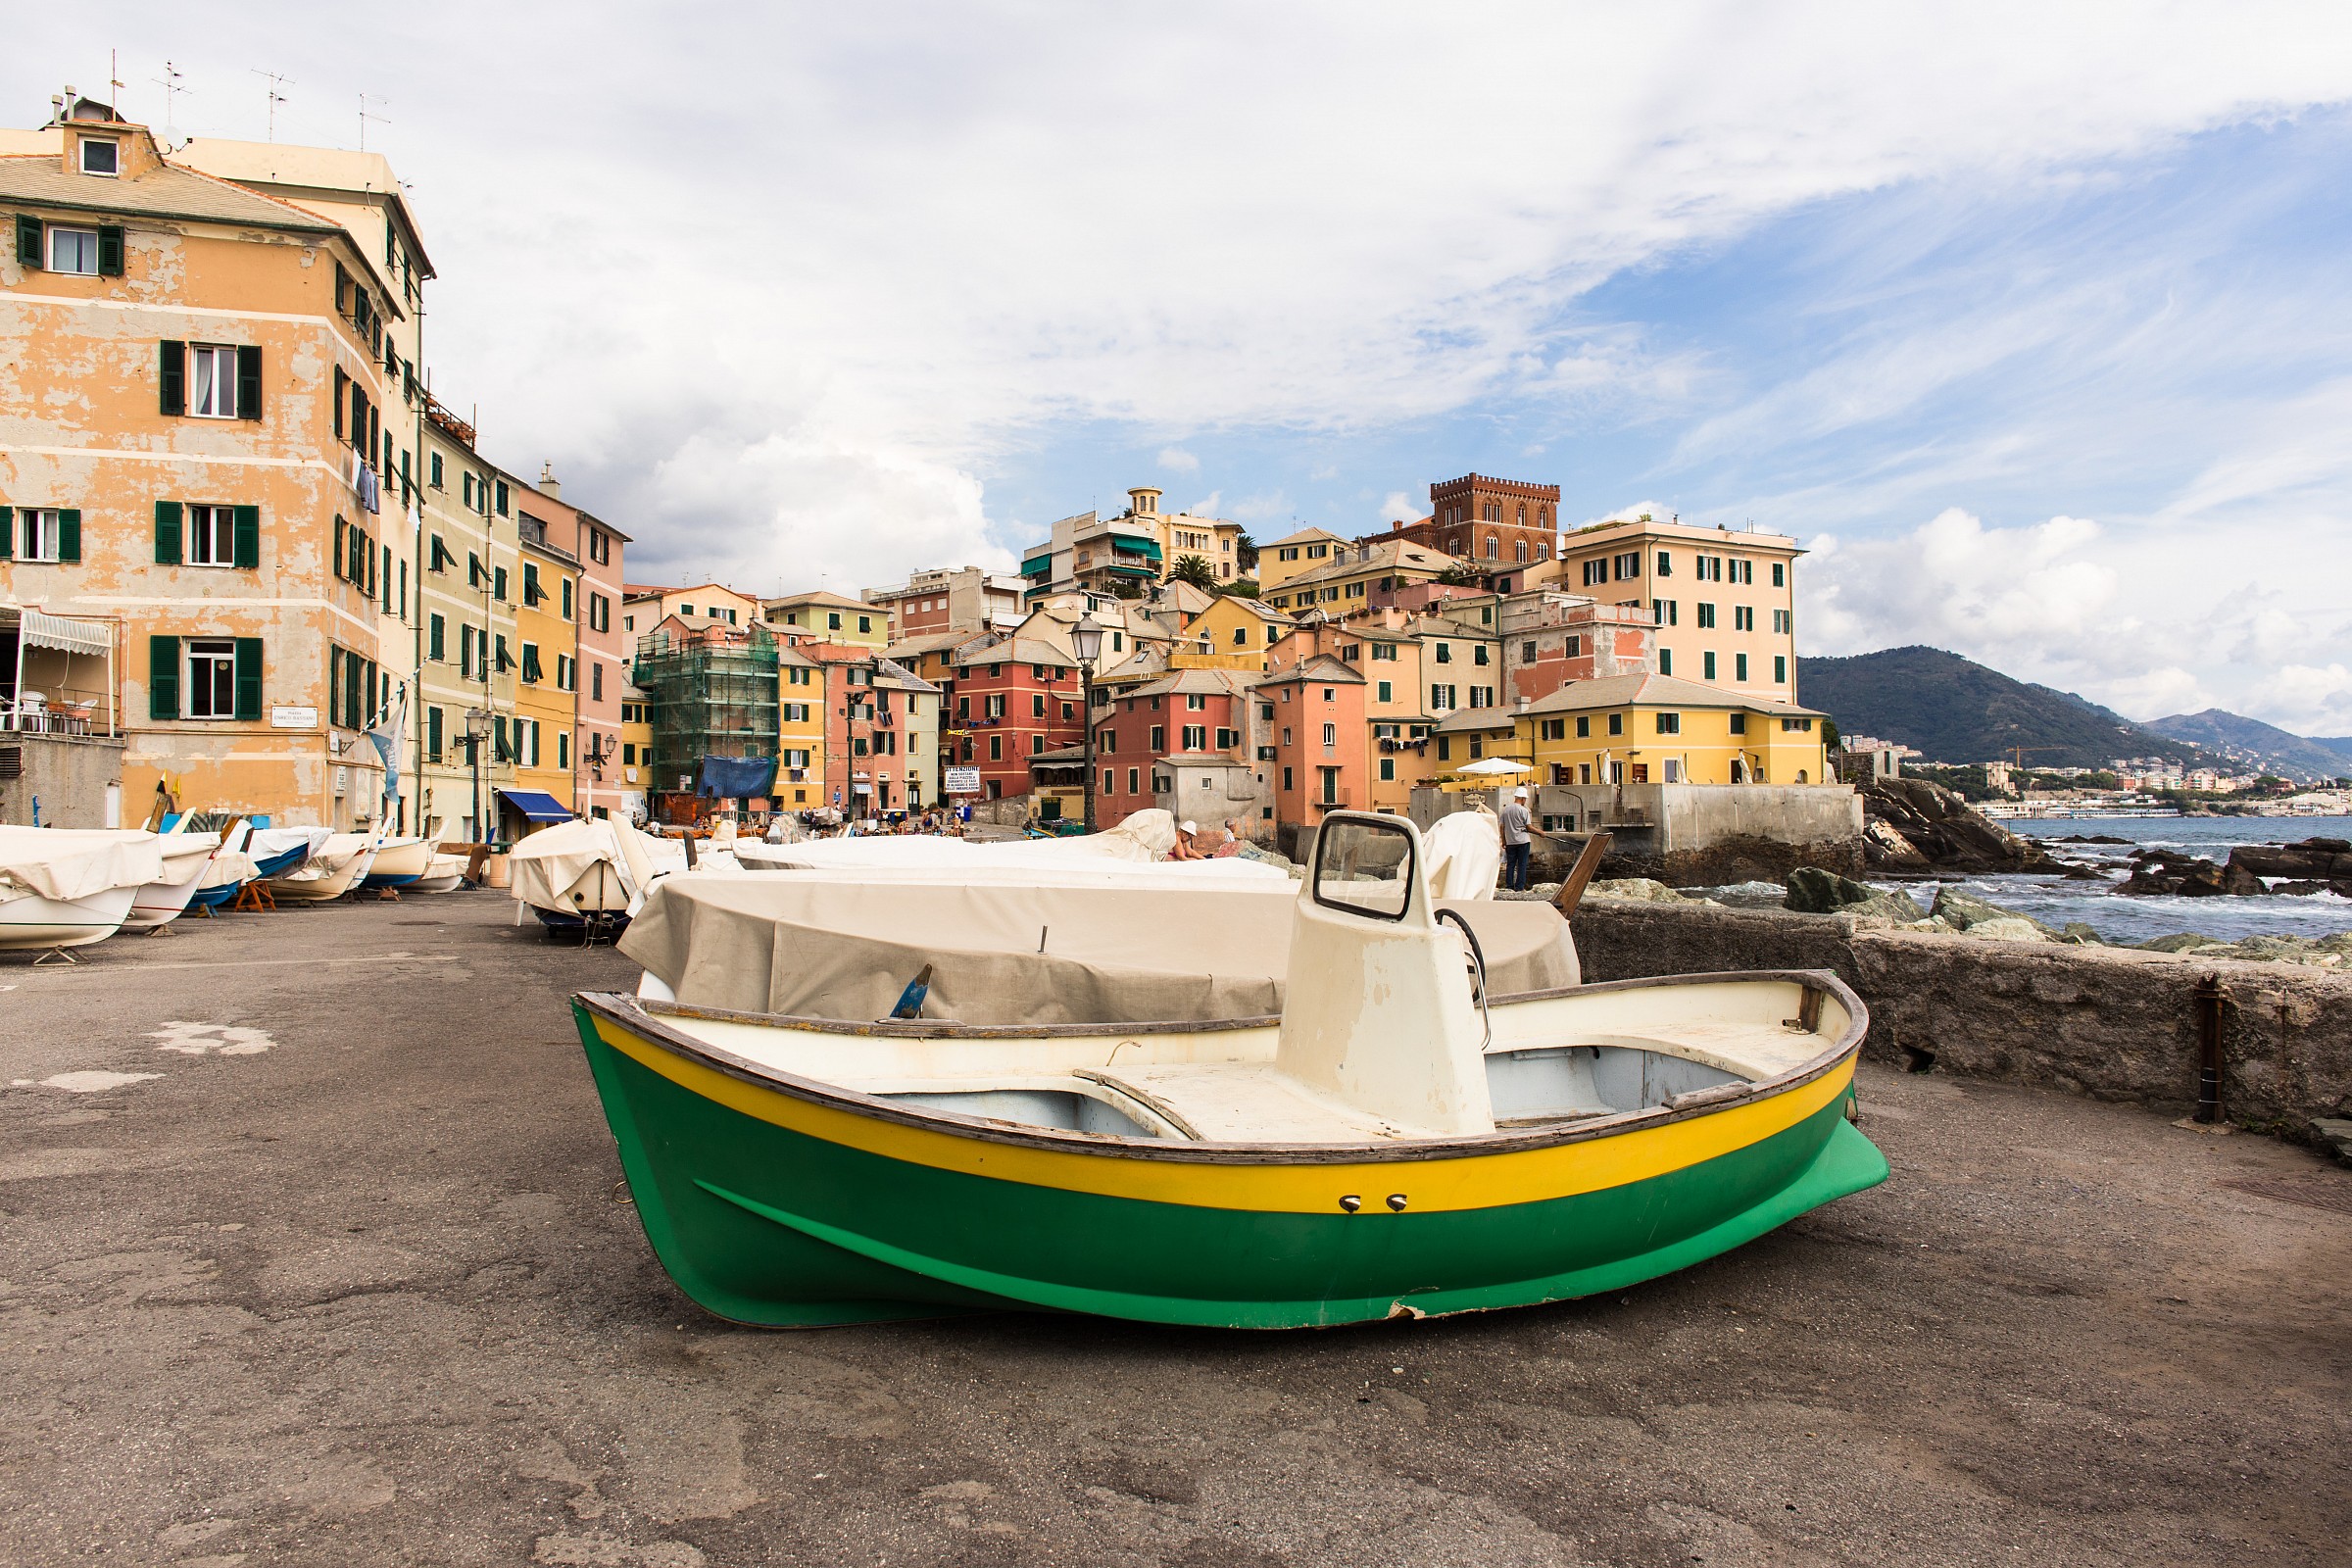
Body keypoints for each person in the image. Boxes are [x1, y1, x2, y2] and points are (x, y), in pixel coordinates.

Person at [1499, 786, 1533, 892]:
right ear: (1523, 799)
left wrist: (1504, 840)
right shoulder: (1524, 811)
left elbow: (1502, 826)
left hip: (1510, 841)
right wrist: (1541, 832)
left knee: (1511, 864)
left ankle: (1509, 886)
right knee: (1522, 864)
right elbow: (1529, 827)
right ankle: (1519, 887)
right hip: (1523, 841)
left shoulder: (1506, 810)